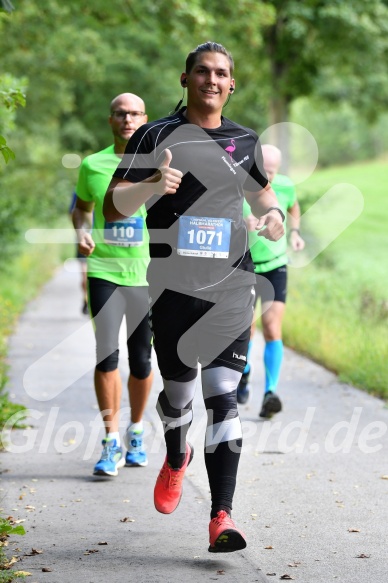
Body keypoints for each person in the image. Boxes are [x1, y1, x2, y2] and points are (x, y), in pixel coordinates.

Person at [103, 43, 284, 552]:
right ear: (185, 79)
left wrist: (274, 219)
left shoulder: (245, 141)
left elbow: (264, 198)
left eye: (221, 73)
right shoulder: (155, 134)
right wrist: (153, 185)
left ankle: (221, 516)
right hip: (173, 288)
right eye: (202, 71)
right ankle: (176, 450)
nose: (211, 79)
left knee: (223, 398)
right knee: (178, 396)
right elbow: (113, 207)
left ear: (232, 85)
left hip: (232, 286)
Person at [72, 93, 154, 477]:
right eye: (120, 114)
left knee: (141, 360)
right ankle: (111, 440)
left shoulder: (160, 163)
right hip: (104, 271)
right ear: (110, 120)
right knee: (106, 355)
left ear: (145, 118)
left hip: (146, 276)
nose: (127, 119)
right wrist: (82, 233)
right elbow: (82, 210)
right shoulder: (93, 165)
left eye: (134, 113)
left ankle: (136, 431)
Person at [237, 144, 305, 417]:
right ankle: (244, 372)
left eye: (272, 172)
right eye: (263, 171)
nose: (268, 177)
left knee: (272, 326)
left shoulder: (286, 185)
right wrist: (241, 222)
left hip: (276, 265)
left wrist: (295, 232)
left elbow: (293, 206)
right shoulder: (240, 184)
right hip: (245, 266)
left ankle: (270, 393)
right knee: (246, 329)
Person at [69, 191, 89, 315]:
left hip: (104, 238)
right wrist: (80, 233)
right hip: (84, 237)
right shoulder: (79, 191)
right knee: (85, 276)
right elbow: (72, 212)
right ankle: (86, 300)